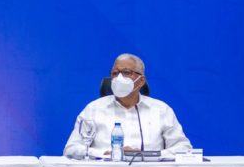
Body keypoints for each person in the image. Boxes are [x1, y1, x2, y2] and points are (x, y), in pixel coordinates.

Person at [63, 53, 191, 158]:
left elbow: (184, 148)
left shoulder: (161, 110)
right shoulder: (93, 109)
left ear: (141, 81)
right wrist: (105, 154)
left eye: (126, 72)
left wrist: (148, 155)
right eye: (115, 73)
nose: (119, 78)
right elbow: (71, 149)